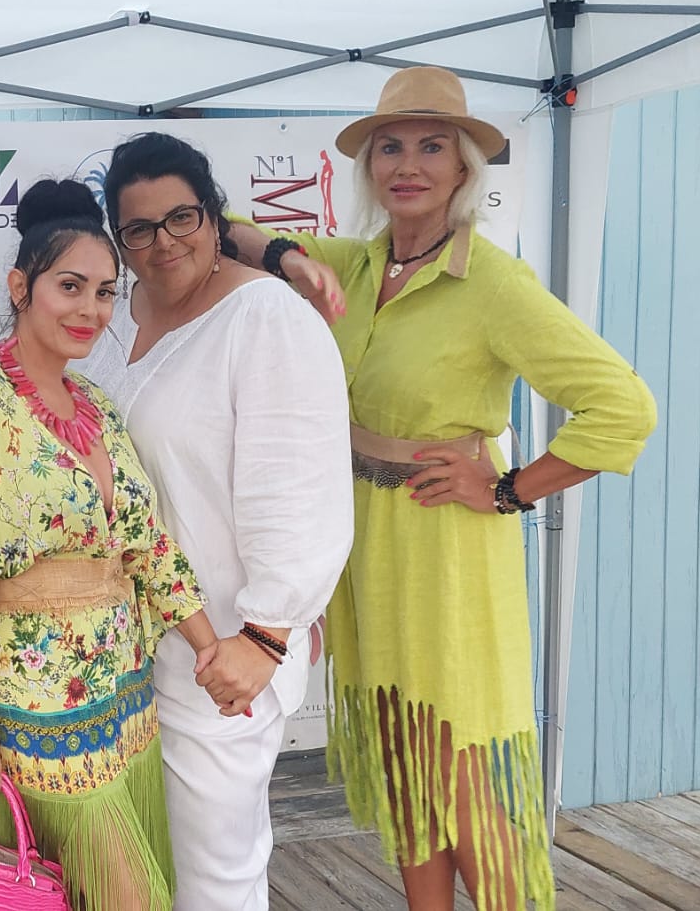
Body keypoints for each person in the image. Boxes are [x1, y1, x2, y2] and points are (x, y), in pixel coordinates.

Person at [222, 66, 659, 911]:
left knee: (465, 780)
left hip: (449, 555)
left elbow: (624, 406)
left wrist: (508, 489)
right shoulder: (354, 266)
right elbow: (222, 227)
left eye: (432, 147)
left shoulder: (491, 281)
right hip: (368, 552)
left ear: (464, 168)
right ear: (369, 166)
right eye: (390, 147)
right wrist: (286, 255)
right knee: (406, 767)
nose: (409, 165)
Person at [0, 178, 238, 911]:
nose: (91, 309)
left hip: (119, 689)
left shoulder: (97, 405)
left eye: (105, 292)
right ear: (19, 287)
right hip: (37, 701)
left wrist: (209, 647)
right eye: (70, 286)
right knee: (123, 895)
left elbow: (144, 543)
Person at [73, 131, 354, 911]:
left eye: (182, 218)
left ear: (213, 215)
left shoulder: (266, 318)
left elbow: (299, 489)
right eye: (139, 229)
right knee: (134, 878)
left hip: (219, 657)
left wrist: (265, 633)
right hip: (114, 656)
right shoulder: (110, 314)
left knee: (214, 880)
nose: (164, 243)